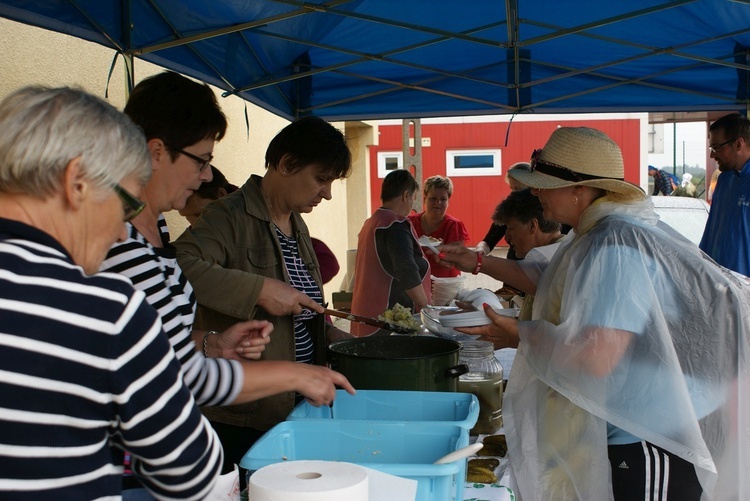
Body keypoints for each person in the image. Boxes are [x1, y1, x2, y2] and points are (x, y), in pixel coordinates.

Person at [437, 126, 749, 501]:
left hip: (653, 433)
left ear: (578, 190)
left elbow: (598, 355)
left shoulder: (615, 244)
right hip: (634, 423)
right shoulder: (596, 231)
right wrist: (479, 262)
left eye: (544, 183)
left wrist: (519, 333)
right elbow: (549, 279)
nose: (535, 192)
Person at [0, 86, 223, 499]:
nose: (122, 230)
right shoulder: (105, 309)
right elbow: (192, 469)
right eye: (124, 203)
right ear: (77, 181)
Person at [174, 116, 355, 474]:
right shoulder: (227, 215)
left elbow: (300, 299)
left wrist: (331, 333)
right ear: (287, 164)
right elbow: (180, 265)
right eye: (321, 179)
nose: (327, 193)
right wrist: (259, 290)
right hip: (244, 417)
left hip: (297, 406)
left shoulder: (296, 221)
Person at [440, 188, 564, 322]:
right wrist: (481, 317)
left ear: (532, 226)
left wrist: (477, 262)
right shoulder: (554, 251)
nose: (507, 237)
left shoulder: (558, 257)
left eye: (511, 228)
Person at [350, 169, 431, 336]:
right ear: (406, 195)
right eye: (414, 198)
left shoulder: (372, 222)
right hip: (387, 322)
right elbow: (406, 270)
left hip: (365, 315)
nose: (413, 204)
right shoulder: (394, 225)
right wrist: (427, 309)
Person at [699, 112, 750, 276]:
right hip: (720, 286)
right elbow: (710, 233)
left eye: (717, 147)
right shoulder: (724, 180)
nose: (712, 155)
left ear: (738, 144)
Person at [408, 174, 469, 277]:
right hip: (417, 281)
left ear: (448, 202)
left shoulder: (454, 225)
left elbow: (457, 259)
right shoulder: (410, 222)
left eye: (443, 199)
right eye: (433, 198)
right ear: (424, 199)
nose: (438, 203)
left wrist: (443, 255)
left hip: (445, 284)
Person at [476, 162, 531, 257]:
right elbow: (489, 240)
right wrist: (480, 250)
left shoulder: (546, 209)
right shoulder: (510, 207)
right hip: (515, 261)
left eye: (519, 189)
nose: (515, 194)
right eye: (512, 189)